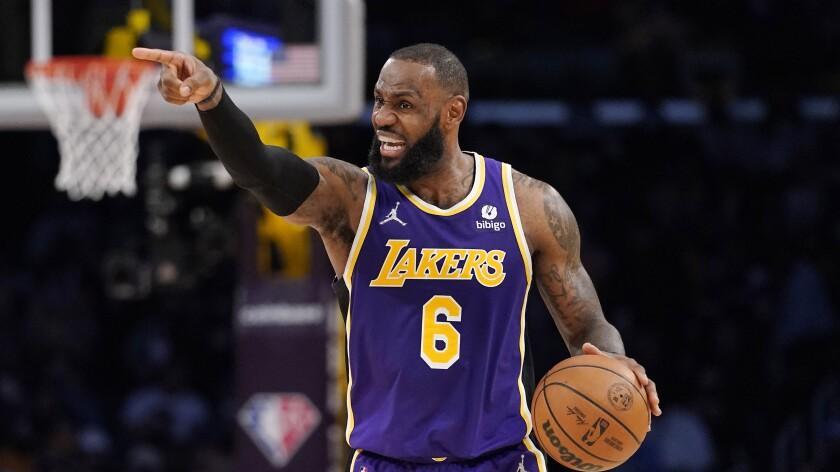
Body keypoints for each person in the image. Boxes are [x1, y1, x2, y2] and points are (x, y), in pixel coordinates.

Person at [132, 43, 662, 472]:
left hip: (498, 460)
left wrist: (614, 363)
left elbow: (587, 323)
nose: (382, 118)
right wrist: (213, 100)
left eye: (403, 105)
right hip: (388, 462)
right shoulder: (353, 200)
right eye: (379, 101)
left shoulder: (529, 205)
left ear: (453, 112)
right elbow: (262, 173)